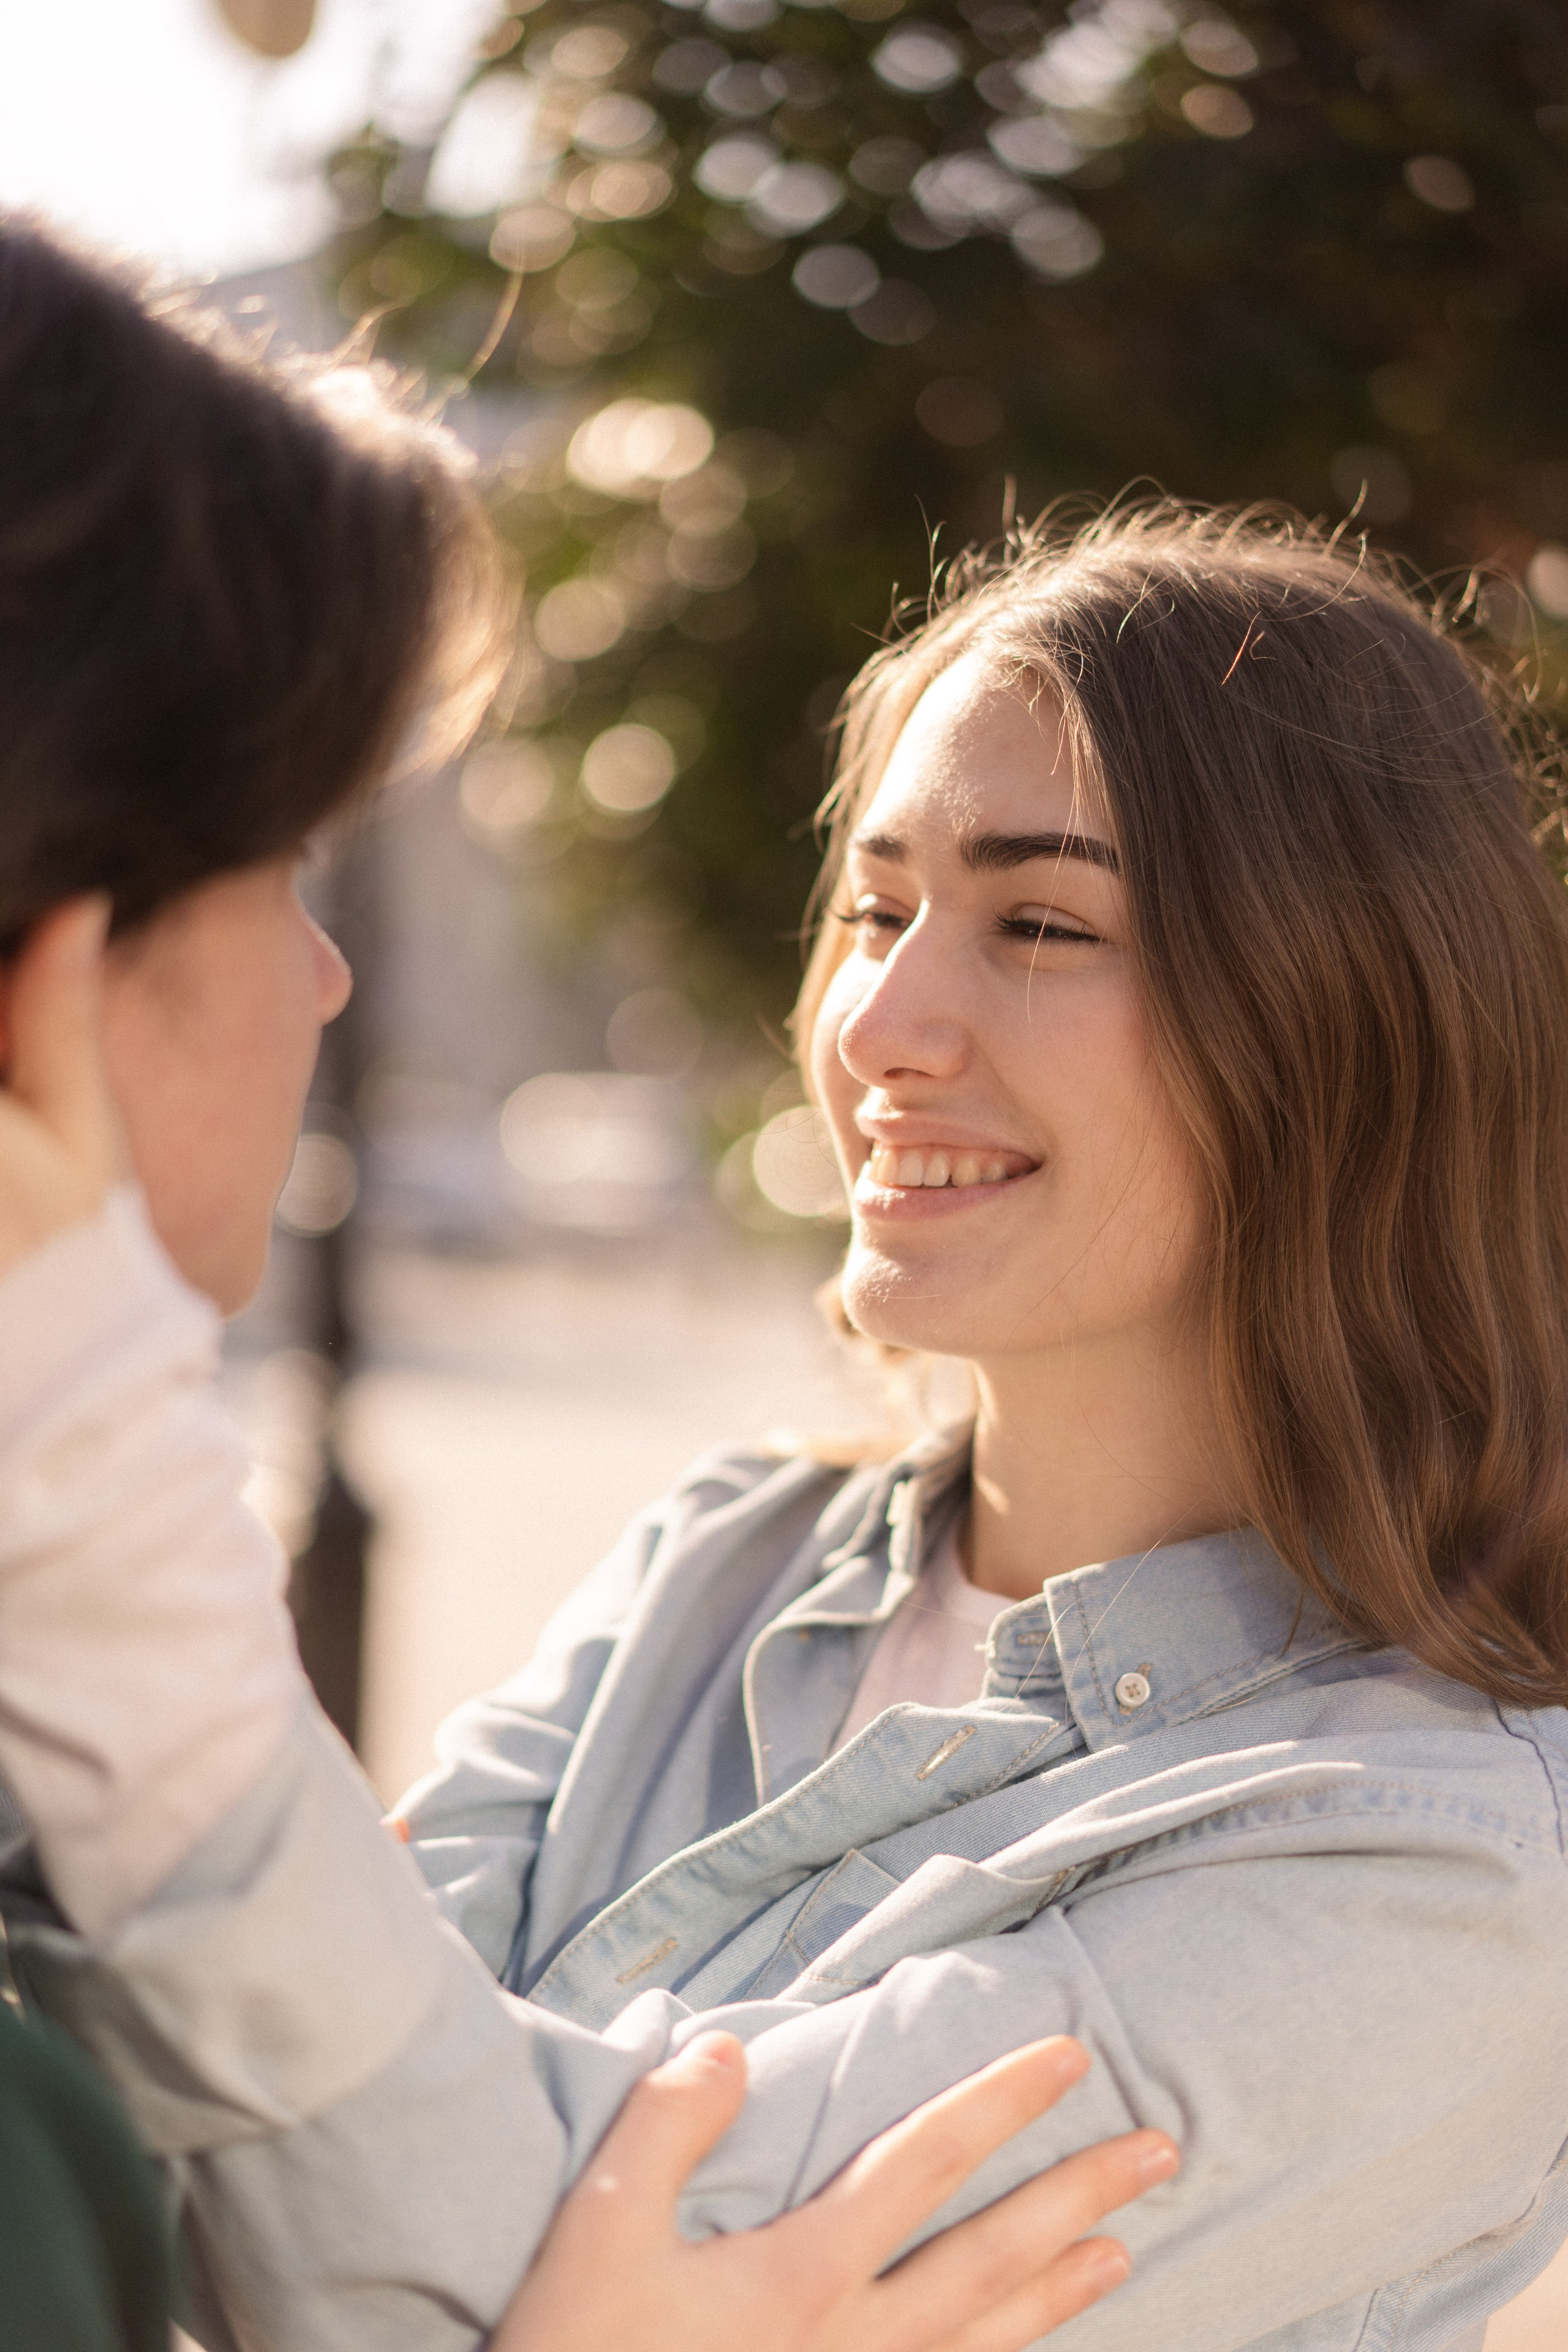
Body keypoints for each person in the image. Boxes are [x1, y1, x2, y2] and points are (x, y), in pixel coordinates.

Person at [2, 227, 1566, 2351]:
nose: (885, 1025)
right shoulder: (726, 1557)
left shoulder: (1435, 1882)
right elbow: (226, 2190)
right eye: (878, 906)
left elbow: (406, 2249)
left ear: (1339, 1030)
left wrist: (86, 1454)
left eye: (1044, 928)